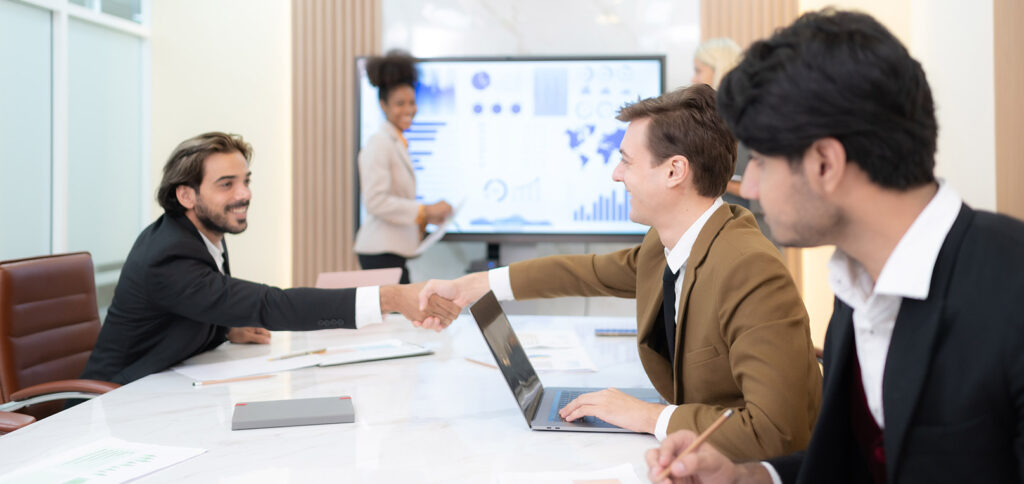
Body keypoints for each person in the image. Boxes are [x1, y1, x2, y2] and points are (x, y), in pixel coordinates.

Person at [647, 9, 1024, 484]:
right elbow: (857, 467)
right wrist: (751, 477)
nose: (753, 186)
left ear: (825, 163)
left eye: (760, 160)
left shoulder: (1011, 292)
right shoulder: (856, 288)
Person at [417, 85, 822, 461]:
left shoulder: (749, 269)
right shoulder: (665, 244)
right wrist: (474, 285)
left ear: (674, 171)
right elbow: (585, 272)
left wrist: (649, 417)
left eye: (627, 161)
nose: (615, 174)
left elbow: (777, 433)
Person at [79, 132, 459, 385]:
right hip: (112, 403)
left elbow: (194, 304)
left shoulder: (197, 234)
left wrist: (223, 328)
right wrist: (389, 297)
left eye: (246, 180)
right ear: (186, 196)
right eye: (226, 184)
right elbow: (269, 303)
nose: (244, 194)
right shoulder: (168, 255)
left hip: (163, 387)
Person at [353, 50, 452, 284]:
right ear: (383, 105)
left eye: (412, 102)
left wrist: (424, 219)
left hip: (392, 252)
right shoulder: (379, 143)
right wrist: (424, 211)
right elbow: (375, 201)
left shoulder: (397, 141)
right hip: (379, 252)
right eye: (399, 103)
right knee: (395, 318)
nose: (408, 109)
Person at [691, 38, 773, 244]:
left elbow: (765, 189)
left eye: (699, 71)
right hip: (720, 235)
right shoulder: (712, 119)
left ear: (719, 70)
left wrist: (709, 178)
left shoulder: (752, 119)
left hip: (752, 237)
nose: (693, 79)